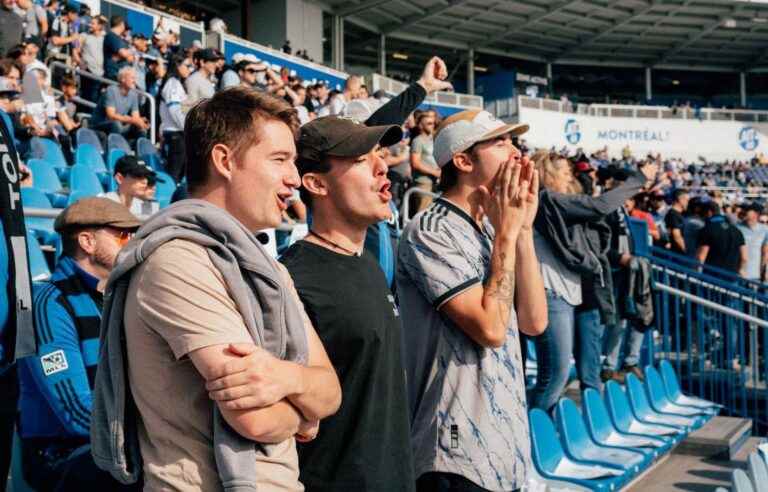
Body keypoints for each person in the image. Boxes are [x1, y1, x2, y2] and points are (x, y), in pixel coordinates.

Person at [93, 87, 342, 490]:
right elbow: (255, 418)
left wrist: (285, 379)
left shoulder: (269, 271)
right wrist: (306, 413)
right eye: (280, 160)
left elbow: (331, 389)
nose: (294, 179)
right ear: (225, 160)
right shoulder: (177, 261)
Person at [397, 109, 548, 491]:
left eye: (513, 141)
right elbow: (491, 329)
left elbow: (534, 321)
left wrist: (523, 230)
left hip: (505, 443)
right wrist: (507, 236)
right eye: (500, 143)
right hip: (456, 450)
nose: (516, 153)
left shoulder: (495, 228)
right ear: (463, 161)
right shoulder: (430, 230)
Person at [278, 116, 414, 491]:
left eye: (378, 154)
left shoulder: (368, 263)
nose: (381, 165)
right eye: (360, 159)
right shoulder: (291, 281)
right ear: (316, 183)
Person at [16, 197, 141, 491]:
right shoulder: (49, 304)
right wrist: (149, 431)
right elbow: (74, 411)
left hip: (108, 442)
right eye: (123, 235)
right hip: (60, 456)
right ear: (87, 240)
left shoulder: (113, 298)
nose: (132, 242)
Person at [529, 153, 655, 410]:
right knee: (554, 376)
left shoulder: (551, 202)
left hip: (563, 293)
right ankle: (530, 438)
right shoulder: (549, 199)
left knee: (555, 375)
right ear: (549, 174)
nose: (570, 177)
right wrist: (638, 179)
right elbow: (601, 206)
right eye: (565, 172)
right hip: (552, 293)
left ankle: (540, 435)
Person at [90, 66, 148, 140]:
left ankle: (141, 150)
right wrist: (132, 120)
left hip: (119, 124)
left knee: (140, 127)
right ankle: (115, 149)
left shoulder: (133, 94)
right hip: (99, 124)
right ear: (123, 79)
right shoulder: (111, 90)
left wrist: (140, 122)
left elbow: (135, 117)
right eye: (132, 78)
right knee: (116, 124)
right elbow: (111, 116)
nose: (134, 81)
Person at [159, 54, 191, 181]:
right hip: (175, 134)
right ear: (177, 66)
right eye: (187, 66)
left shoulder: (177, 84)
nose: (189, 69)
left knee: (180, 173)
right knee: (174, 174)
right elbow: (175, 110)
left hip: (179, 133)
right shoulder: (172, 84)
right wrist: (188, 128)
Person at [697, 201, 747, 277]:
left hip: (712, 277)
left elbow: (701, 257)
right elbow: (744, 257)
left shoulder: (707, 230)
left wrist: (697, 275)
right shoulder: (736, 230)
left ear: (709, 212)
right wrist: (741, 270)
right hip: (732, 276)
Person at [409, 112, 440, 213]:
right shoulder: (417, 141)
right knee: (423, 214)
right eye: (429, 123)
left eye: (433, 123)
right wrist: (435, 172)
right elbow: (415, 163)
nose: (432, 125)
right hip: (423, 183)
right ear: (421, 126)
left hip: (434, 183)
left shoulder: (432, 140)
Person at [737, 202, 768, 281]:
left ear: (756, 214)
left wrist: (763, 272)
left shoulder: (765, 230)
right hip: (738, 274)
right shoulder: (737, 228)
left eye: (748, 210)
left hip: (755, 276)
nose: (745, 212)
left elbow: (765, 253)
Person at [103, 15, 133, 80]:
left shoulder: (118, 38)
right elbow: (124, 54)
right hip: (113, 74)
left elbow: (130, 58)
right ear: (122, 24)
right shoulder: (112, 36)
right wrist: (132, 51)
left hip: (119, 75)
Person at [665, 188, 688, 254]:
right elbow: (677, 237)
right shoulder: (673, 215)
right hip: (677, 253)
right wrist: (687, 252)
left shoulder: (680, 214)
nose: (688, 202)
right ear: (680, 200)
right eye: (687, 200)